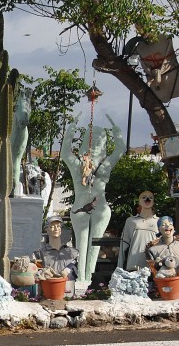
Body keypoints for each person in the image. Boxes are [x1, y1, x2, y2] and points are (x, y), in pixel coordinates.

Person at [59, 116, 126, 283]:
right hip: (80, 207)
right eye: (92, 139)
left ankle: (89, 279)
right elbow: (65, 153)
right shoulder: (78, 164)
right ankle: (81, 279)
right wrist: (71, 130)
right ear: (85, 143)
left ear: (104, 144)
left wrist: (117, 134)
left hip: (101, 208)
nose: (95, 143)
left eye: (100, 139)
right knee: (81, 245)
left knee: (94, 246)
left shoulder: (106, 163)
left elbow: (120, 150)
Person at [118, 191, 159, 270]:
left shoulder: (159, 222)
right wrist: (119, 267)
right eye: (143, 197)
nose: (147, 199)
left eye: (150, 198)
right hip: (134, 262)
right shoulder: (130, 221)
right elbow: (124, 244)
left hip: (152, 263)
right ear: (139, 201)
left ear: (153, 202)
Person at [34, 215, 80, 279]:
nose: (56, 229)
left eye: (58, 226)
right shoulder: (39, 253)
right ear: (46, 230)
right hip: (49, 286)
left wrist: (68, 270)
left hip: (69, 287)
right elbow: (36, 274)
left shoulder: (73, 252)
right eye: (52, 227)